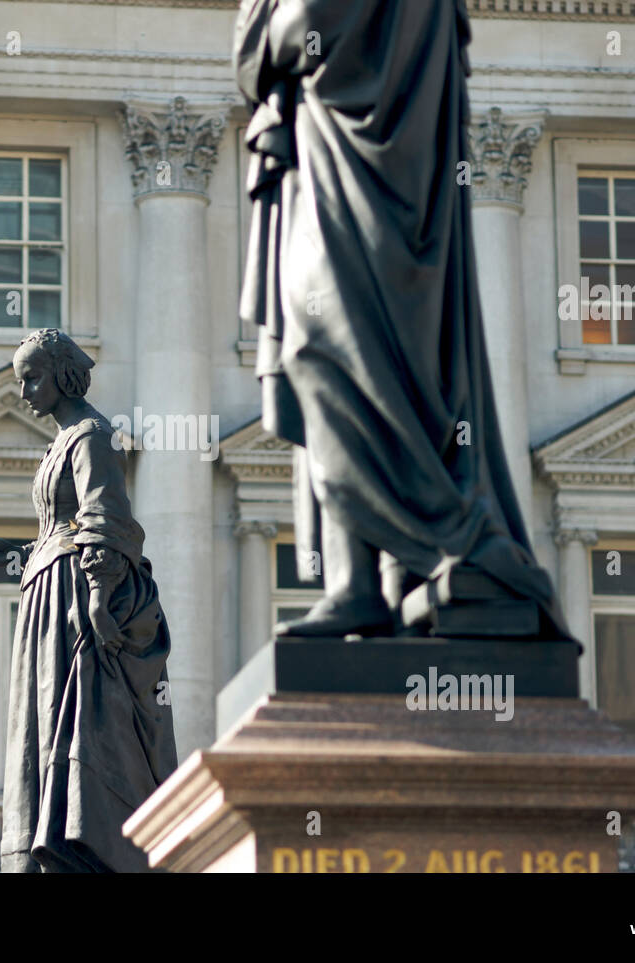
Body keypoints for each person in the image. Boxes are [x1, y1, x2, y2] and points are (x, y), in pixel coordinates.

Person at [235, 0, 570, 639]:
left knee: (322, 353)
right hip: (354, 163)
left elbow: (302, 29)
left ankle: (400, 566)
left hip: (360, 170)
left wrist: (260, 28)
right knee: (346, 363)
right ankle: (367, 579)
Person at [0, 328, 177, 872]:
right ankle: (45, 834)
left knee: (73, 723)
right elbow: (55, 533)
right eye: (21, 381)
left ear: (64, 375)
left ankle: (74, 839)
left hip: (72, 601)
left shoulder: (92, 436)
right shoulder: (61, 441)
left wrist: (96, 598)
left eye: (33, 378)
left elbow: (105, 521)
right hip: (47, 593)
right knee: (39, 729)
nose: (24, 394)